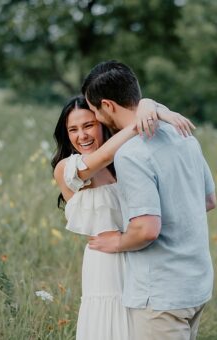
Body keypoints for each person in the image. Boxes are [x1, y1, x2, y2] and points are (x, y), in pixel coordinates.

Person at [84, 60, 217, 340]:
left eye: (95, 110)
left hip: (160, 295)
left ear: (107, 105)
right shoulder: (184, 137)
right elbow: (208, 200)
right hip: (196, 285)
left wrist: (118, 241)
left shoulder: (131, 153)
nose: (95, 118)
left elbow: (147, 229)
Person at [52, 95, 194, 340]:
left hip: (140, 258)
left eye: (88, 125)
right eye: (73, 130)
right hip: (105, 267)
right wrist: (150, 111)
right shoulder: (68, 168)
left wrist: (149, 106)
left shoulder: (124, 160)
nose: (81, 136)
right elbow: (104, 156)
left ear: (102, 123)